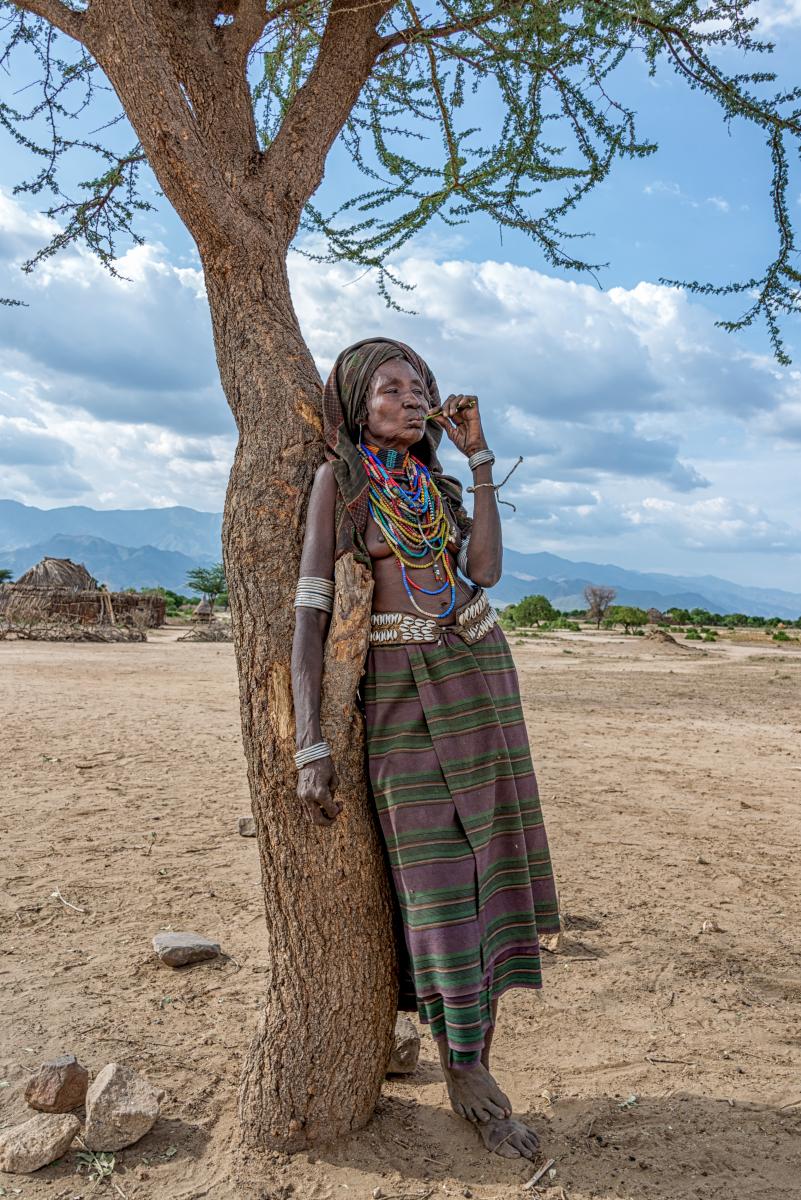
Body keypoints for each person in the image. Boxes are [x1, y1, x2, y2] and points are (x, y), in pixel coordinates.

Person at [291, 338, 559, 1160]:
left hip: (479, 672)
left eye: (421, 388)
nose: (411, 401)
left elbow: (482, 573)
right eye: (391, 389)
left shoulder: (438, 485)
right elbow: (306, 619)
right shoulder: (341, 483)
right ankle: (465, 1069)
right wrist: (309, 741)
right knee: (435, 881)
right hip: (402, 698)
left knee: (491, 867)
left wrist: (478, 459)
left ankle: (470, 1056)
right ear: (354, 405)